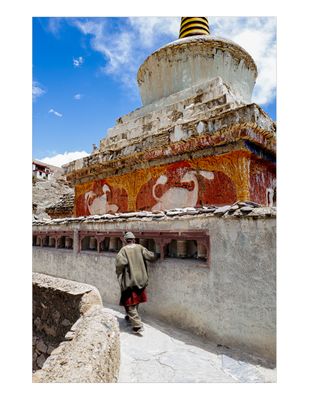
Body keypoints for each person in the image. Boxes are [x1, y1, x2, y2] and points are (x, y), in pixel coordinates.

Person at [115, 232, 157, 335]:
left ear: (125, 241)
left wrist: (118, 273)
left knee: (129, 303)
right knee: (136, 299)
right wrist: (158, 254)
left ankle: (137, 325)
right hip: (141, 279)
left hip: (130, 280)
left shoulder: (123, 250)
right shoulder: (140, 248)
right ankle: (130, 317)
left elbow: (120, 264)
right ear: (134, 239)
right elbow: (151, 257)